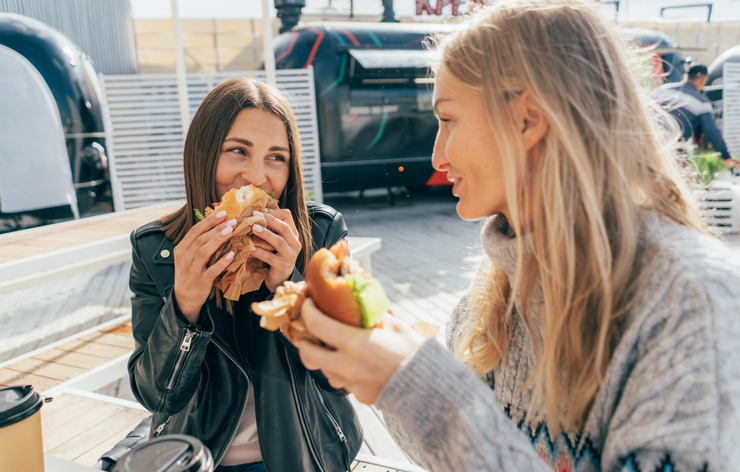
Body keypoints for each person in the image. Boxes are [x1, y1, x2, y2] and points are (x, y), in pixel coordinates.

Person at [293, 1, 740, 471]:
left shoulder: (692, 301)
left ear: (527, 118)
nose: (436, 156)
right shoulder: (492, 293)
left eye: (447, 120)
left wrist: (422, 388)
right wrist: (378, 363)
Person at [127, 77, 362, 472]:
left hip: (302, 453)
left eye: (276, 157)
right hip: (199, 459)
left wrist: (291, 289)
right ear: (202, 156)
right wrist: (184, 304)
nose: (256, 177)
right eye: (238, 151)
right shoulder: (158, 250)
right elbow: (157, 396)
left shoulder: (319, 234)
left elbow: (341, 377)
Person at [652, 63, 736, 164]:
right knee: (682, 176)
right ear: (703, 79)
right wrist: (726, 156)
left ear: (685, 76)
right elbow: (711, 131)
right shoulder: (701, 103)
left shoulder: (661, 90)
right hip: (671, 149)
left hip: (646, 141)